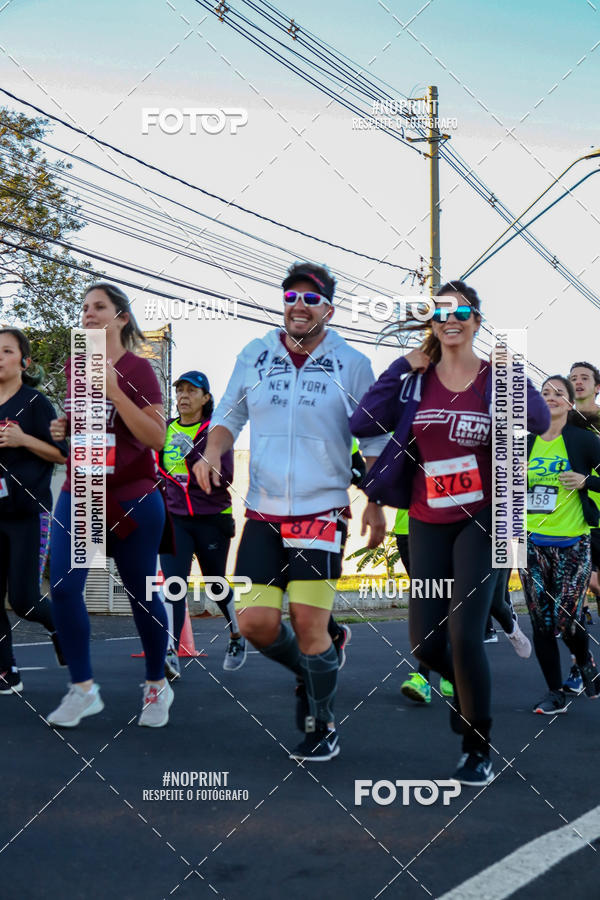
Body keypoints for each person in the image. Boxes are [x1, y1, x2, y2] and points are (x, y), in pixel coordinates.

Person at [350, 280, 549, 786]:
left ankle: (477, 746)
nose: (450, 319)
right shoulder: (416, 381)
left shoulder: (493, 376)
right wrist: (401, 366)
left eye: (461, 311)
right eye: (439, 312)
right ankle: (466, 700)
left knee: (464, 635)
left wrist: (511, 372)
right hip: (426, 518)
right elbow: (361, 422)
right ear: (432, 324)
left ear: (477, 320)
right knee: (426, 643)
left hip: (483, 517)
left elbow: (539, 419)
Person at [195, 261, 388, 762]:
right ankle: (318, 664)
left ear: (328, 308)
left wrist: (375, 503)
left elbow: (373, 439)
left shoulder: (351, 363)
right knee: (255, 624)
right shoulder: (255, 354)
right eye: (290, 297)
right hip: (263, 510)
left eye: (310, 298)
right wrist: (212, 451)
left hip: (321, 510)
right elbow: (230, 414)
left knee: (307, 623)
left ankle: (322, 724)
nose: (298, 306)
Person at [47, 282, 174, 728]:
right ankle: (83, 690)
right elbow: (89, 424)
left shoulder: (139, 369)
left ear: (121, 317)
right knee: (64, 588)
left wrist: (116, 393)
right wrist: (65, 427)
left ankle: (156, 684)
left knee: (141, 595)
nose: (88, 314)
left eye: (98, 307)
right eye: (84, 307)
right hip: (82, 494)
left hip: (132, 497)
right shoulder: (74, 366)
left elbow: (156, 438)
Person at [520, 375, 600, 713]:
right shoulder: (525, 443)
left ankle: (585, 660)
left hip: (572, 543)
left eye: (558, 393)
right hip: (531, 545)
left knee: (566, 619)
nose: (550, 397)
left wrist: (586, 481)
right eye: (544, 393)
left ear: (569, 403)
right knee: (541, 623)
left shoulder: (583, 441)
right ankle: (555, 693)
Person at [156, 370, 243, 677]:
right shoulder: (165, 429)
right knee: (173, 584)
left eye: (191, 391)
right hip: (175, 518)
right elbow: (155, 471)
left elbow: (223, 477)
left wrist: (193, 458)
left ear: (206, 398)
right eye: (180, 390)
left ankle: (236, 634)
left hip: (211, 518)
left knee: (215, 583)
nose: (183, 396)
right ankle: (170, 652)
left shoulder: (215, 432)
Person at [0, 328, 67, 695]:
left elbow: (62, 455)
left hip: (28, 512)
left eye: (7, 351)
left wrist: (22, 439)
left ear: (24, 362)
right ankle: (7, 671)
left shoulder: (36, 403)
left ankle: (61, 628)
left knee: (25, 601)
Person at [394, 508, 454, 704]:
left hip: (442, 527)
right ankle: (448, 669)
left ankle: (424, 678)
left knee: (436, 600)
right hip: (406, 529)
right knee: (430, 600)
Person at [565, 361, 600, 693]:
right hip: (574, 520)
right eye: (573, 378)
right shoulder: (562, 424)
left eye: (584, 378)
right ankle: (580, 667)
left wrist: (587, 481)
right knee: (574, 599)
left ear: (597, 387)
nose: (578, 382)